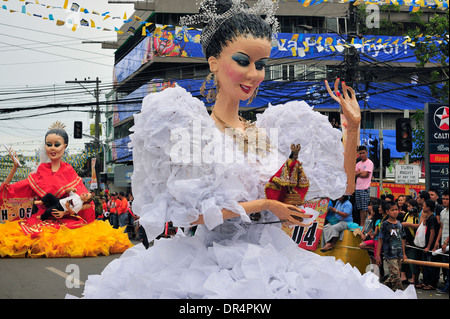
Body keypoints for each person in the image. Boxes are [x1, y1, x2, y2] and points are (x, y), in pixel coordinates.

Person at [77, 0, 415, 299]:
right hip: (210, 266)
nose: (253, 74)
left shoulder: (269, 132)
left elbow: (342, 187)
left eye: (261, 64)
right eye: (243, 60)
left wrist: (352, 129)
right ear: (213, 63)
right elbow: (187, 214)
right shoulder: (191, 128)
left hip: (276, 259)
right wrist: (266, 204)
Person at [0, 123, 132, 257]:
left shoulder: (69, 171)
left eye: (57, 144)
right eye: (48, 144)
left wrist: (66, 212)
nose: (52, 148)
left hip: (66, 219)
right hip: (42, 218)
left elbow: (85, 203)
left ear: (65, 146)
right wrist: (15, 167)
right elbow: (10, 190)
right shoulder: (40, 172)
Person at [376, 202, 407, 291]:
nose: (395, 212)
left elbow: (402, 239)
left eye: (396, 209)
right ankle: (399, 294)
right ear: (387, 211)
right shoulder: (385, 224)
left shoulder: (400, 224)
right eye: (392, 210)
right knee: (396, 277)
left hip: (399, 254)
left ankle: (381, 290)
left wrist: (404, 254)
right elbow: (380, 239)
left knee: (394, 275)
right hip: (390, 254)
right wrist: (378, 255)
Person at [419, 199, 440, 290]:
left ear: (428, 208)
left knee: (431, 266)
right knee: (425, 266)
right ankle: (426, 282)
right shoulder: (429, 218)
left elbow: (432, 233)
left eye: (424, 206)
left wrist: (428, 246)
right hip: (426, 245)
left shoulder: (432, 218)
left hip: (431, 247)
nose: (423, 207)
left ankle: (432, 284)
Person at [401, 199, 421, 285]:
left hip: (414, 239)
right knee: (404, 258)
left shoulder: (417, 216)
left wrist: (408, 224)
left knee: (412, 259)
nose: (408, 208)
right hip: (405, 239)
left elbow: (419, 226)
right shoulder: (406, 215)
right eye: (407, 206)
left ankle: (413, 278)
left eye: (409, 206)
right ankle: (403, 276)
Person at [355, 145, 374, 227]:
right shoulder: (358, 163)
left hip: (365, 188)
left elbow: (365, 174)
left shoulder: (369, 163)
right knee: (360, 208)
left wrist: (359, 173)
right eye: (360, 153)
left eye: (363, 153)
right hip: (357, 188)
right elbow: (354, 174)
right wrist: (360, 173)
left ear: (366, 153)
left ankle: (365, 225)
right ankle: (361, 224)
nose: (362, 155)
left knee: (365, 208)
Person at [436, 189, 448, 293]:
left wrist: (445, 243)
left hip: (447, 244)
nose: (444, 201)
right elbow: (441, 227)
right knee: (445, 267)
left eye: (447, 199)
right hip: (443, 244)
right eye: (443, 198)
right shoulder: (443, 212)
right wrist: (437, 241)